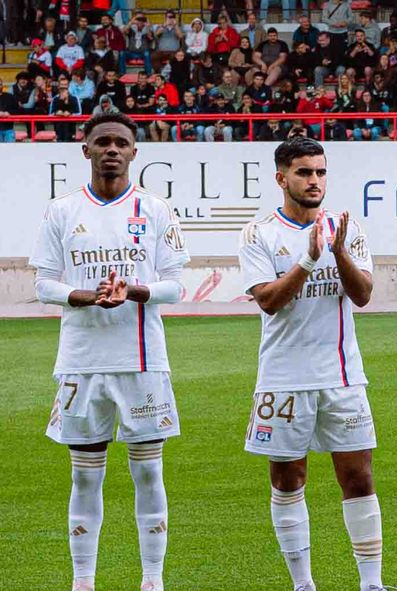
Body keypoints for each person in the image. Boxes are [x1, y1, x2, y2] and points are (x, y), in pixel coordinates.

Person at [33, 111, 188, 591]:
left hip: (143, 362)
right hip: (81, 363)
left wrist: (136, 291)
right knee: (84, 478)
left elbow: (177, 287)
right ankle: (83, 582)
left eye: (121, 142)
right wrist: (81, 296)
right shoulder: (62, 210)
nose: (112, 150)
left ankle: (152, 580)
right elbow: (43, 284)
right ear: (86, 149)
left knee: (148, 474)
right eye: (103, 142)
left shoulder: (156, 209)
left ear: (134, 152)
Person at [238, 137, 385, 591]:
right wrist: (308, 258)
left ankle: (371, 584)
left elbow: (361, 295)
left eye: (320, 172)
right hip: (283, 378)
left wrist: (338, 251)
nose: (314, 180)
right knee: (288, 479)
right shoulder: (259, 233)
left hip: (343, 376)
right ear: (282, 178)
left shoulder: (346, 226)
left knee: (358, 477)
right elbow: (268, 301)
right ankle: (303, 584)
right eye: (304, 172)